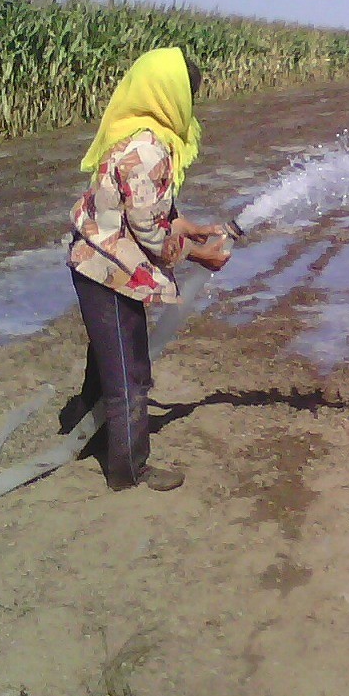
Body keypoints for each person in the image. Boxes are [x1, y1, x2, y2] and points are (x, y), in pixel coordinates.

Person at [62, 47, 230, 491]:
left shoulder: (134, 132)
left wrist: (190, 228)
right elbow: (152, 232)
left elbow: (153, 209)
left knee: (106, 356)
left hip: (98, 261)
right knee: (131, 373)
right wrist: (201, 255)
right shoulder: (150, 148)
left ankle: (84, 431)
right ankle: (128, 469)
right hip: (107, 270)